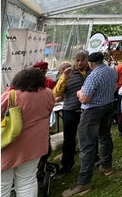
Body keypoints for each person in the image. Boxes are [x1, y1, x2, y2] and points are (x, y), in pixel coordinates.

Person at [62, 52, 117, 197]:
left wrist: (79, 93)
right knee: (105, 137)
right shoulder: (111, 71)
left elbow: (85, 99)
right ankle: (107, 167)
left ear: (90, 63)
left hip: (92, 111)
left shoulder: (93, 76)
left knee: (87, 145)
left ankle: (84, 182)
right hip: (108, 106)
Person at [1, 68, 55, 197]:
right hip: (35, 145)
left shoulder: (11, 96)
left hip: (9, 144)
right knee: (28, 180)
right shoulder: (48, 93)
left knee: (2, 183)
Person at [52, 50, 90, 179]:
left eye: (82, 60)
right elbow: (57, 93)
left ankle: (93, 158)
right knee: (69, 139)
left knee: (90, 135)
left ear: (86, 60)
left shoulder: (91, 70)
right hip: (70, 110)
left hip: (88, 109)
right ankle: (67, 165)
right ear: (74, 60)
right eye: (77, 60)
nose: (79, 63)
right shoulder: (67, 73)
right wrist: (64, 78)